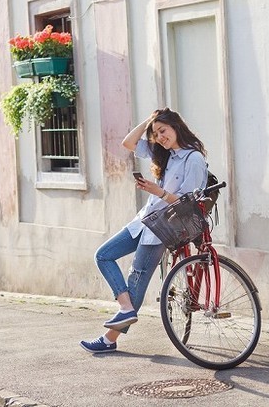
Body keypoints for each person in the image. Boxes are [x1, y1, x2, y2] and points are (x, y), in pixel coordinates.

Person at [80, 107, 208, 353]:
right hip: (143, 221)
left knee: (136, 280)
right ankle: (125, 308)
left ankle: (109, 339)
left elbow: (187, 202)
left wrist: (157, 191)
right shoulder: (166, 154)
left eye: (163, 130)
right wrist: (149, 121)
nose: (160, 136)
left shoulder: (193, 159)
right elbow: (128, 142)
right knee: (103, 255)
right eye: (156, 133)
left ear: (176, 126)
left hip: (164, 226)